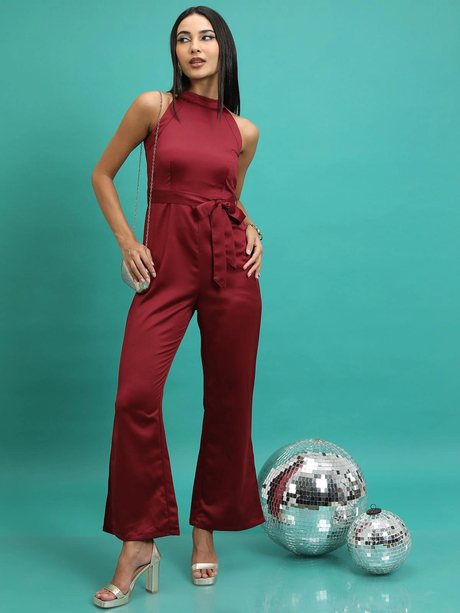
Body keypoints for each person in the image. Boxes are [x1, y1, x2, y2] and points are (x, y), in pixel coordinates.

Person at [90, 5, 264, 606]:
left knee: (228, 401)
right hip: (163, 270)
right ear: (175, 52)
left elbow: (227, 198)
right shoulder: (154, 108)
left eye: (206, 37)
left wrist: (254, 229)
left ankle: (205, 529)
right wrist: (127, 243)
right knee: (134, 395)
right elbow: (102, 174)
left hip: (229, 272)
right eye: (183, 38)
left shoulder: (243, 132)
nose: (195, 46)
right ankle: (138, 540)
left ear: (223, 48)